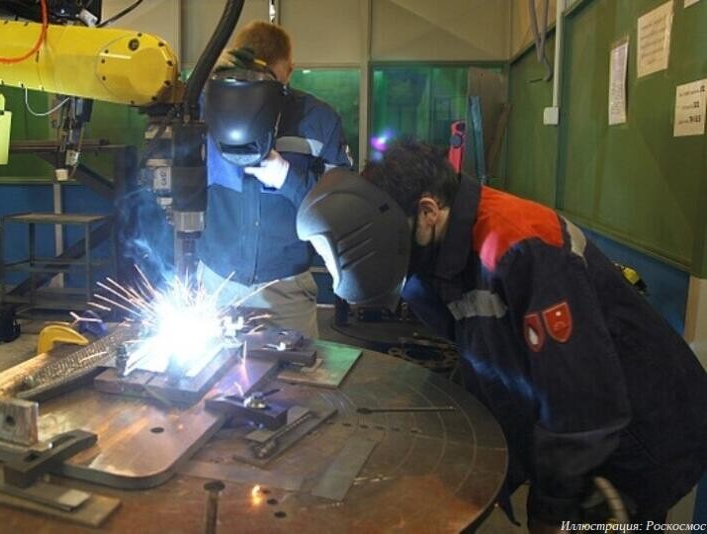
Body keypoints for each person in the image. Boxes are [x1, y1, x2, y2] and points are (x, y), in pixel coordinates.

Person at [296, 139, 707, 530]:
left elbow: (580, 404)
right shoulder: (434, 253)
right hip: (588, 422)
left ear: (428, 210)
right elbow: (484, 356)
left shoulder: (521, 246)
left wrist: (552, 509)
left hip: (642, 433)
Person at [198, 21, 353, 337]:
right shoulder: (203, 109)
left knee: (297, 369)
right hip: (215, 285)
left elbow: (342, 208)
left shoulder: (318, 119)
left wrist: (287, 177)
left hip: (286, 290)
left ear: (287, 73)